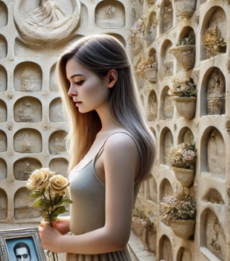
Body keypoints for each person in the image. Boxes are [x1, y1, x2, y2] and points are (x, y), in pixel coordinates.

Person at [38, 34, 156, 260]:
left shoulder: (119, 143)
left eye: (79, 81)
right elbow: (101, 213)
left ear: (111, 78)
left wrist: (61, 243)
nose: (71, 92)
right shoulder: (99, 136)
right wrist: (70, 223)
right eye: (69, 83)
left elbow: (116, 236)